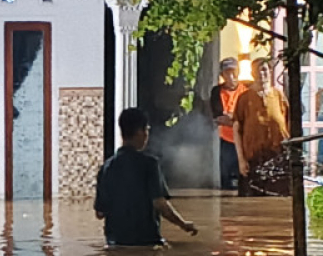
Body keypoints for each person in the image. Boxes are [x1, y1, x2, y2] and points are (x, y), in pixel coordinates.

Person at [94, 107, 198, 246]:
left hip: (115, 242)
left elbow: (100, 213)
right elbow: (160, 204)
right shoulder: (149, 164)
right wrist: (183, 224)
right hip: (146, 241)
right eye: (147, 129)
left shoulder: (106, 167)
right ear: (140, 132)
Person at [232, 59, 291, 197]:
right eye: (257, 70)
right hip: (254, 157)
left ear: (270, 72)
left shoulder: (278, 96)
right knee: (253, 199)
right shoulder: (244, 98)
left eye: (264, 69)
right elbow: (237, 129)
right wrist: (241, 160)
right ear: (252, 73)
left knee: (279, 199)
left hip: (277, 156)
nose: (261, 73)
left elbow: (288, 123)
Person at [209, 57, 248, 191]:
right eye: (227, 73)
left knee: (245, 175)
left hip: (244, 139)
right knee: (226, 177)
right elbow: (219, 117)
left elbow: (248, 116)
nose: (231, 76)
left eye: (233, 72)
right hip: (226, 138)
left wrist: (232, 117)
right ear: (222, 75)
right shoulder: (217, 91)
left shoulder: (246, 89)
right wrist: (237, 119)